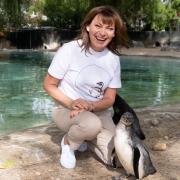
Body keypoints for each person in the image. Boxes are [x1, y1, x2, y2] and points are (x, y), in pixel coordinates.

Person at [43, 5, 128, 169]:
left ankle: (84, 138)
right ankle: (68, 142)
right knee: (91, 125)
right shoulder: (70, 50)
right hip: (66, 109)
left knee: (118, 157)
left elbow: (110, 98)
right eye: (98, 26)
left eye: (109, 28)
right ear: (88, 26)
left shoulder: (113, 59)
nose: (102, 33)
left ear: (114, 33)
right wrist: (70, 103)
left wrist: (91, 105)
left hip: (99, 111)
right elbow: (49, 85)